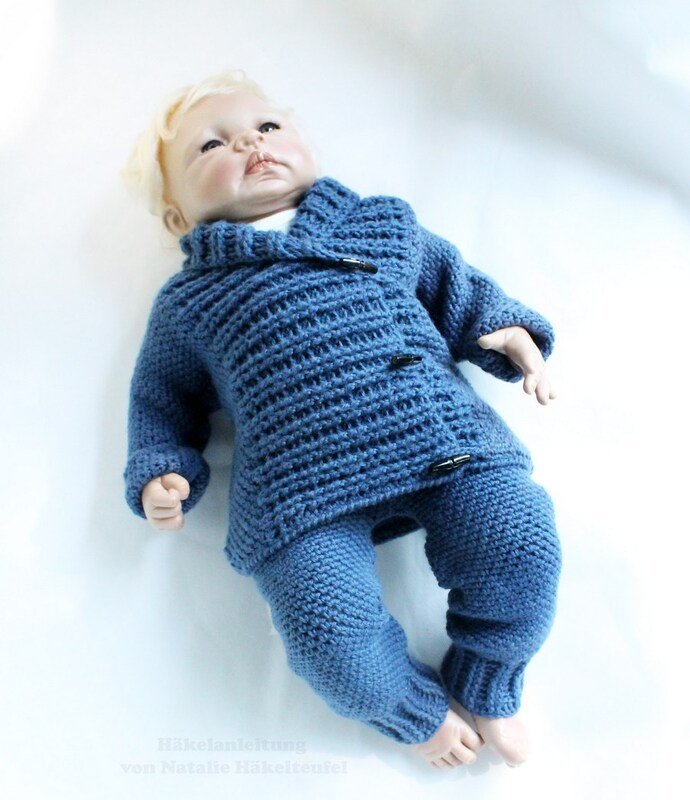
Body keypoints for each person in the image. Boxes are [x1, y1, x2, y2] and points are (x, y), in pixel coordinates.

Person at [121, 68, 561, 770]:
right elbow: (160, 399)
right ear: (177, 216)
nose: (250, 144)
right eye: (212, 146)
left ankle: (487, 673)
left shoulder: (383, 224)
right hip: (300, 494)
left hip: (438, 439)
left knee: (520, 542)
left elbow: (456, 287)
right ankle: (412, 711)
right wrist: (161, 470)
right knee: (326, 631)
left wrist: (503, 330)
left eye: (267, 126)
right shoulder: (190, 302)